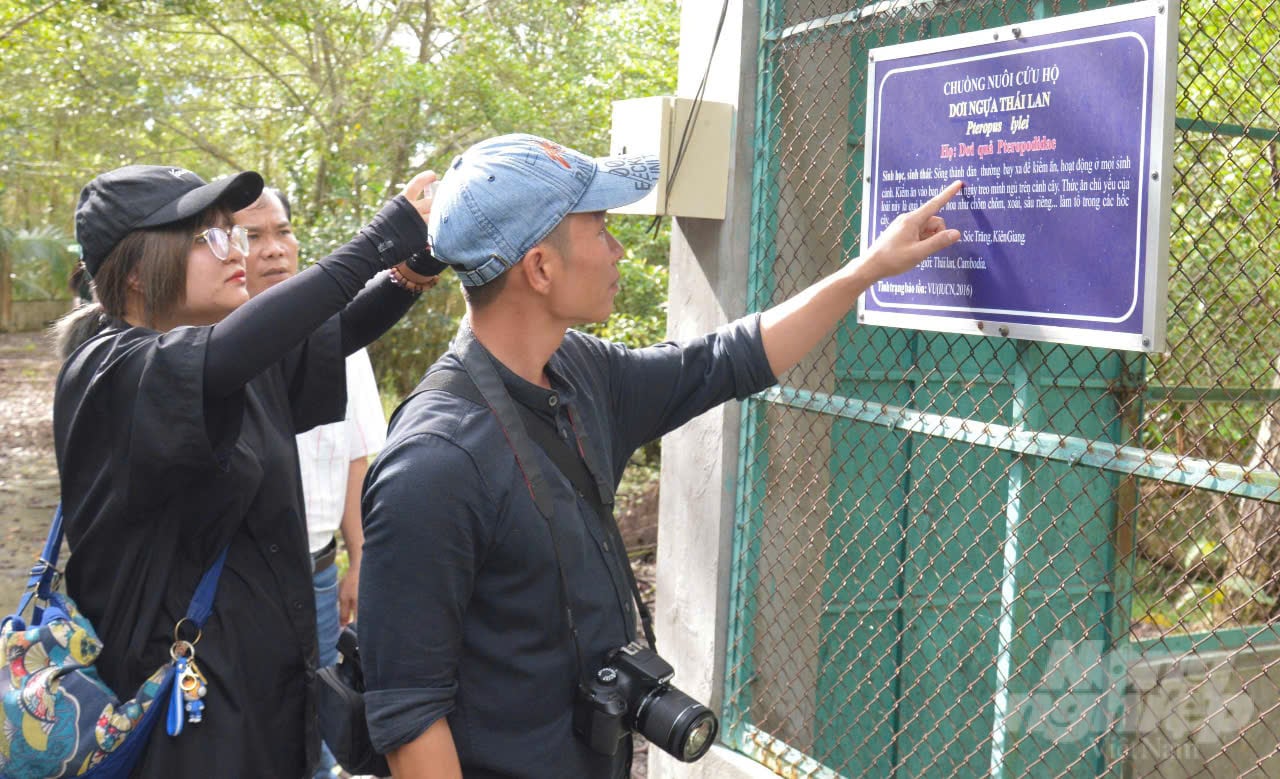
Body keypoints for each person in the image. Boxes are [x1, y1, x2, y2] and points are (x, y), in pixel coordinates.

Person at [358, 133, 962, 778]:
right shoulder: (434, 464)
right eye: (600, 229)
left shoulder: (573, 370)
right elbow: (410, 716)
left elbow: (725, 362)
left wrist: (865, 271)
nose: (618, 250)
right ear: (539, 268)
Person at [51, 163, 443, 778]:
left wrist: (421, 263)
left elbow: (336, 330)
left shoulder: (223, 357)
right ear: (134, 269)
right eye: (210, 237)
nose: (236, 251)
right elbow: (247, 342)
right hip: (182, 719)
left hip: (265, 696)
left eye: (229, 233)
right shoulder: (113, 371)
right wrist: (384, 232)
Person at [235, 187, 387, 778]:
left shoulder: (335, 332)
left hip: (319, 573)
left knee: (324, 722)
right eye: (253, 236)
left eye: (284, 232)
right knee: (248, 722)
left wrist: (359, 558)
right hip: (246, 581)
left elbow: (354, 453)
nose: (274, 250)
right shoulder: (217, 343)